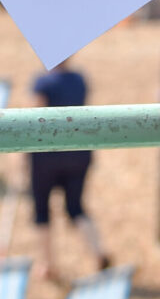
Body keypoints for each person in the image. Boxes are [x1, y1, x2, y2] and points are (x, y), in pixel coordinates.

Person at [28, 58, 111, 281]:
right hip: (78, 151)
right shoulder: (79, 79)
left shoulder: (42, 82)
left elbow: (34, 119)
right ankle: (98, 251)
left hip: (46, 156)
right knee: (75, 207)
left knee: (42, 210)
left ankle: (47, 264)